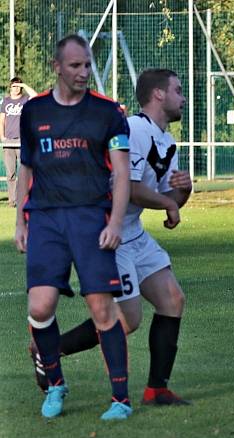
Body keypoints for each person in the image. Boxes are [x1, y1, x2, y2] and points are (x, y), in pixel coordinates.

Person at [36, 69, 193, 407]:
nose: (183, 98)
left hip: (132, 230)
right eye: (178, 90)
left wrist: (184, 192)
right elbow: (132, 189)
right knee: (127, 320)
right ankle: (48, 349)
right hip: (109, 230)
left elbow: (170, 206)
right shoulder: (133, 129)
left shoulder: (166, 140)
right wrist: (168, 202)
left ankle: (157, 390)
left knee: (172, 300)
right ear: (158, 95)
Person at [15, 34, 132, 420]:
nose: (84, 73)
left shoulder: (108, 112)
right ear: (57, 67)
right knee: (40, 304)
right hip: (45, 219)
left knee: (101, 308)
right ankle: (55, 384)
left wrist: (115, 223)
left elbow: (122, 173)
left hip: (89, 217)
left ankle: (120, 400)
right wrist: (20, 221)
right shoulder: (33, 111)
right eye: (76, 66)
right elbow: (26, 168)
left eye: (87, 65)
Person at [1, 77, 37, 206]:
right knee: (10, 173)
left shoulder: (25, 99)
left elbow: (35, 95)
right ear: (10, 87)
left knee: (24, 171)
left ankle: (26, 198)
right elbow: (2, 119)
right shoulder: (5, 101)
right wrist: (2, 136)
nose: (15, 89)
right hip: (8, 141)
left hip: (22, 141)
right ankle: (12, 201)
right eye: (13, 86)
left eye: (18, 86)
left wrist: (24, 84)